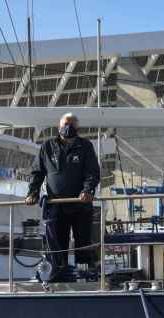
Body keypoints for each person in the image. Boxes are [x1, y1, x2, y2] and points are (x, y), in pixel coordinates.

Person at [25, 113, 100, 279]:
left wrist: (87, 190)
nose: (68, 128)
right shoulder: (47, 146)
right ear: (59, 126)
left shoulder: (85, 146)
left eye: (71, 125)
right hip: (56, 204)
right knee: (58, 243)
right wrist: (32, 192)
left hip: (80, 203)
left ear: (78, 128)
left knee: (83, 242)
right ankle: (59, 273)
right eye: (65, 124)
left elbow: (92, 172)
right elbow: (37, 172)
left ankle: (84, 273)